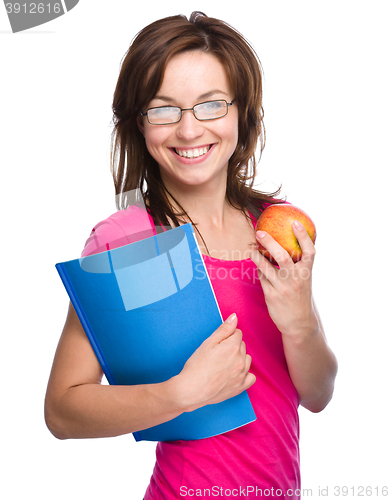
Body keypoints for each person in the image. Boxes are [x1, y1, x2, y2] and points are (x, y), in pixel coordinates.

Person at [45, 12, 338, 499]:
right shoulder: (129, 241)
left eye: (210, 105)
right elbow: (62, 410)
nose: (187, 129)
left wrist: (299, 325)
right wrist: (180, 395)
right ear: (138, 123)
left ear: (242, 113)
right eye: (163, 109)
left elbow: (317, 394)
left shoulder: (275, 226)